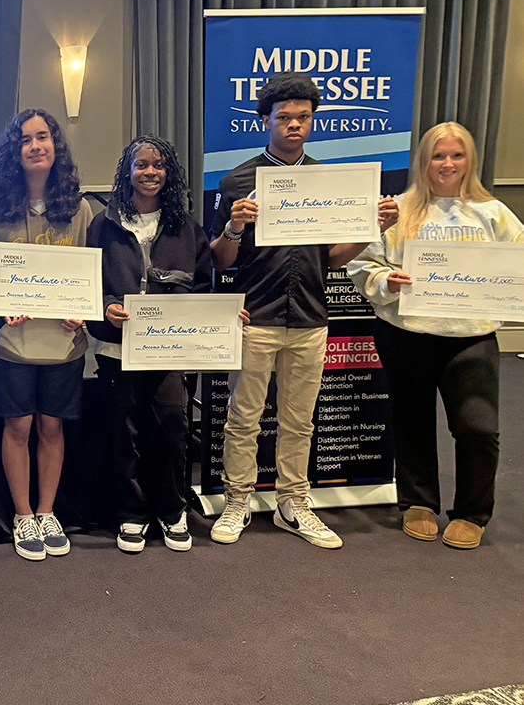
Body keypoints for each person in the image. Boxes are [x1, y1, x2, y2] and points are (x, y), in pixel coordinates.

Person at [207, 72, 398, 549]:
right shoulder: (238, 181)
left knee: (300, 420)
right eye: (284, 118)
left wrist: (372, 227)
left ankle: (294, 502)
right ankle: (237, 499)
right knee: (244, 417)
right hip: (256, 317)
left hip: (312, 317)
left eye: (303, 118)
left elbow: (332, 258)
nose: (294, 125)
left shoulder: (327, 182)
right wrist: (232, 227)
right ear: (265, 121)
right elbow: (218, 260)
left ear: (312, 121)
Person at [347, 123, 523, 549]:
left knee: (478, 428)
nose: (447, 164)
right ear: (423, 161)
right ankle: (418, 502)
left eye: (456, 155)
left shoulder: (494, 214)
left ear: (470, 161)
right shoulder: (399, 210)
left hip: (471, 336)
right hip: (407, 334)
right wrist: (388, 280)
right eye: (438, 156)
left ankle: (473, 512)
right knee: (412, 420)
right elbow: (362, 264)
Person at [88, 135, 234, 554]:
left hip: (173, 351)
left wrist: (223, 320)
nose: (149, 172)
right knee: (126, 433)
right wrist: (106, 308)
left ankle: (173, 511)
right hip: (119, 350)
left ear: (169, 172)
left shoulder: (186, 227)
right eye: (141, 165)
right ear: (127, 172)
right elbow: (85, 288)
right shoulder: (104, 225)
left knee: (173, 430)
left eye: (158, 165)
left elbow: (206, 287)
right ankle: (131, 514)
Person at [0, 109, 92, 560]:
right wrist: (0, 308)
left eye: (43, 137)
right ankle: (23, 514)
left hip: (64, 345)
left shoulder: (80, 208)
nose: (35, 145)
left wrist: (82, 312)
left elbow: (90, 273)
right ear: (15, 151)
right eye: (25, 139)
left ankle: (48, 511)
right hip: (14, 346)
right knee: (19, 426)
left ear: (55, 145)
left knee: (51, 426)